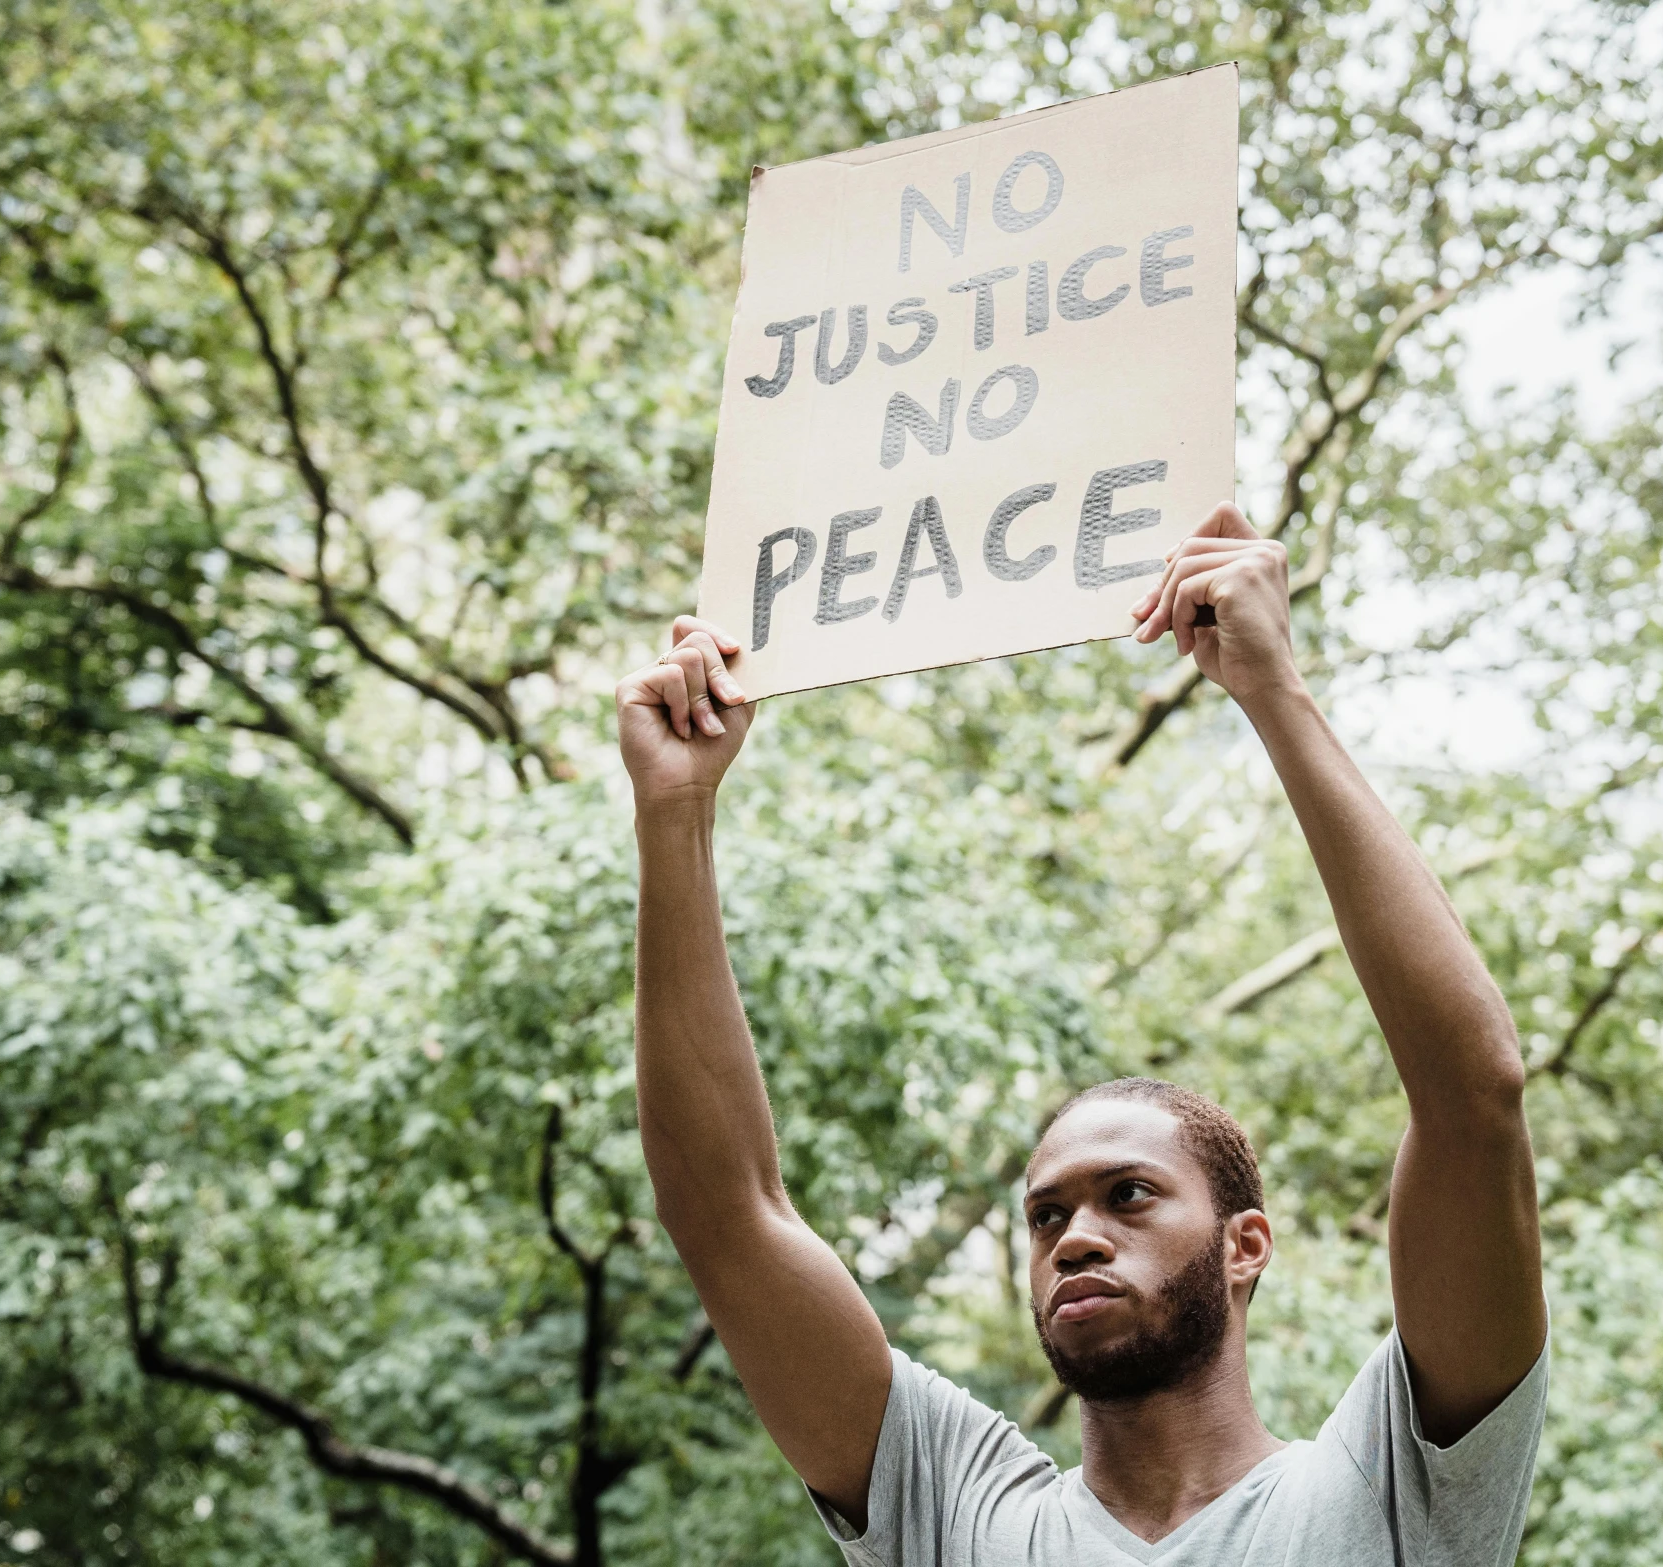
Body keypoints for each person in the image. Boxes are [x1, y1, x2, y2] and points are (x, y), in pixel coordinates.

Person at [616, 501, 1548, 1565]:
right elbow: (726, 1214)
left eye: (1128, 1194)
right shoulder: (956, 1512)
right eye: (1044, 1214)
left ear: (1246, 1244)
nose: (1076, 1236)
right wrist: (673, 809)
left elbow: (1474, 1098)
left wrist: (1273, 692)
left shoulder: (1394, 1488)